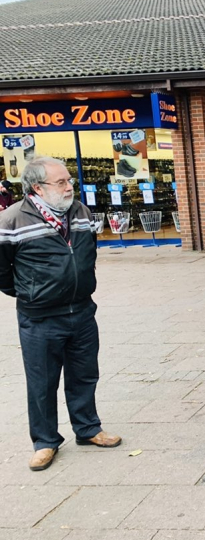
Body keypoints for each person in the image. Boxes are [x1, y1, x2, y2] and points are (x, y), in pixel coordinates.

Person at [0, 157, 121, 472]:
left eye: (69, 180)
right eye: (61, 182)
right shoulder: (11, 220)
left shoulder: (80, 212)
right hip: (39, 318)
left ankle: (88, 429)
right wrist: (30, 292)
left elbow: (88, 251)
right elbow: (2, 271)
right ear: (37, 188)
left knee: (84, 374)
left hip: (81, 311)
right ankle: (45, 442)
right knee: (42, 381)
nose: (70, 187)